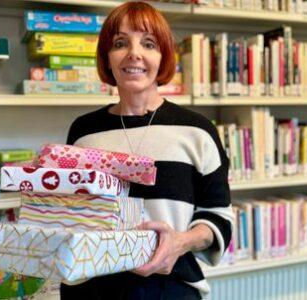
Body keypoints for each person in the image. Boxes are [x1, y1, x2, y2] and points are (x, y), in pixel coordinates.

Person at [62, 2, 233, 299]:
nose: (134, 53)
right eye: (120, 43)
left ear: (163, 57)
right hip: (94, 286)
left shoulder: (198, 131)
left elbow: (217, 216)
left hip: (170, 286)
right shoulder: (83, 132)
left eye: (149, 43)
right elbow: (74, 212)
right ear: (107, 57)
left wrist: (181, 241)